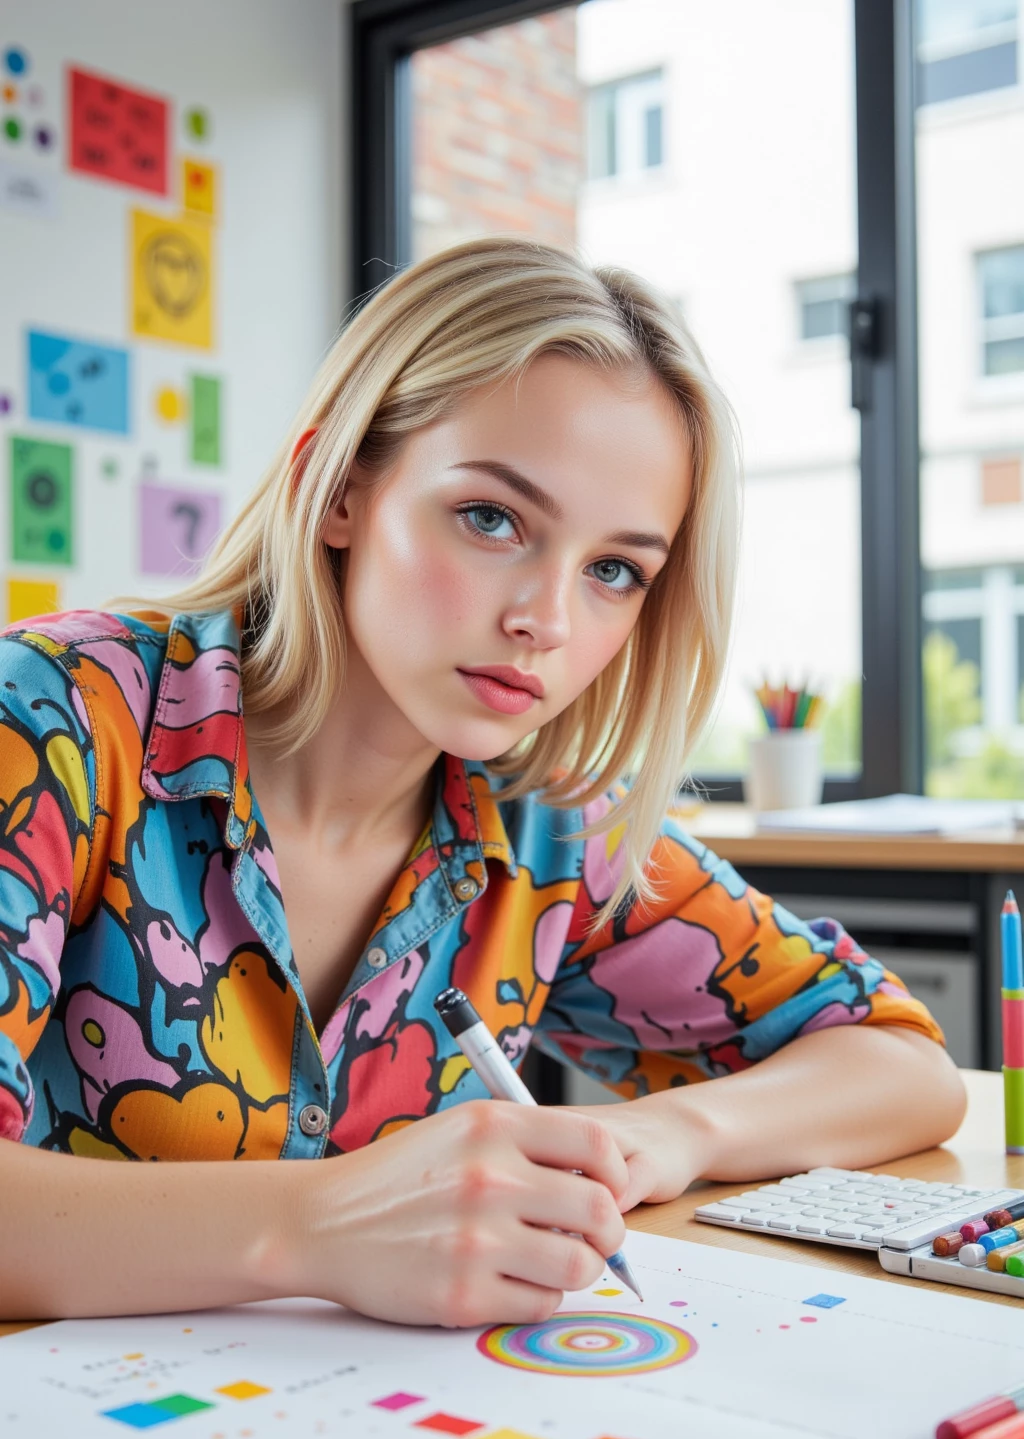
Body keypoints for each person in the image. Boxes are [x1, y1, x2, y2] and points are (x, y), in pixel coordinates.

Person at [0, 238, 964, 1325]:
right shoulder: (55, 720)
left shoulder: (549, 819)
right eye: (492, 519)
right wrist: (317, 1226)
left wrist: (653, 1139)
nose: (545, 622)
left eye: (613, 571)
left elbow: (899, 1063)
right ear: (341, 490)